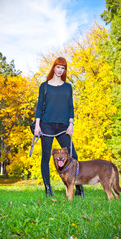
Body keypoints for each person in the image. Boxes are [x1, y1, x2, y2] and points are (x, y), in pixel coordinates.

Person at [34, 57, 84, 197]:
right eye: (58, 67)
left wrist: (71, 124)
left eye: (63, 68)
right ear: (53, 68)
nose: (60, 70)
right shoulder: (44, 86)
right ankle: (48, 189)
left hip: (63, 126)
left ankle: (79, 188)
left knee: (73, 155)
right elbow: (39, 107)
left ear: (64, 70)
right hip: (47, 125)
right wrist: (37, 125)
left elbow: (70, 107)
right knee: (45, 157)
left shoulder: (68, 87)